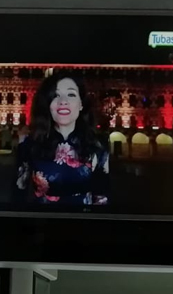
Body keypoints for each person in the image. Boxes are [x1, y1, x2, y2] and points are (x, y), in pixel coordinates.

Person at [16, 72, 110, 205]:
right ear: (48, 104)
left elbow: (103, 197)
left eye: (71, 94)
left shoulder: (98, 144)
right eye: (55, 95)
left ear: (81, 104)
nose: (63, 101)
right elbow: (18, 193)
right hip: (42, 223)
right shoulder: (29, 143)